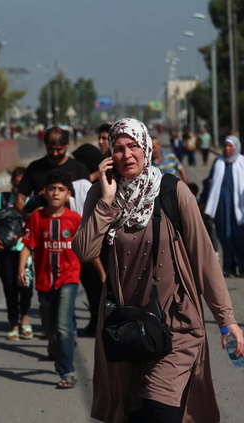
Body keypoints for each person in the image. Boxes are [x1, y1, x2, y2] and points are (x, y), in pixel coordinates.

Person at [72, 118, 243, 423]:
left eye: (133, 146)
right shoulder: (101, 195)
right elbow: (84, 251)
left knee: (160, 409)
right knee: (135, 413)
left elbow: (205, 260)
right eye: (119, 148)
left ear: (146, 147)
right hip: (127, 328)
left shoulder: (172, 192)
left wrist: (227, 321)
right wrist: (108, 202)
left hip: (176, 323)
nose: (127, 155)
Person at [18, 170, 81, 389]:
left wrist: (101, 273)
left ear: (68, 195)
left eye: (61, 190)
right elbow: (28, 245)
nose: (56, 193)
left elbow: (85, 249)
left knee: (64, 325)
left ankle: (68, 372)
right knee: (49, 326)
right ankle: (55, 348)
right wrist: (21, 268)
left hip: (69, 277)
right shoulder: (37, 217)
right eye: (52, 189)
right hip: (44, 280)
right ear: (45, 193)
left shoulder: (75, 219)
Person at [0, 167, 34, 340]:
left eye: (22, 184)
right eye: (16, 184)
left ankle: (25, 317)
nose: (19, 188)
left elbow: (38, 222)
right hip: (4, 252)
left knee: (26, 286)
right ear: (12, 183)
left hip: (25, 252)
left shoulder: (33, 201)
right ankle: (14, 323)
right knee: (10, 288)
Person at [14, 126, 89, 219]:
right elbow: (20, 199)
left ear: (67, 145)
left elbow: (87, 201)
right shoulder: (35, 168)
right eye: (50, 149)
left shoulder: (79, 169)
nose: (54, 153)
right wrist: (30, 218)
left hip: (71, 227)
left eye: (58, 149)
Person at [202, 136, 244, 277]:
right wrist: (203, 200)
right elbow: (209, 183)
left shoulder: (242, 162)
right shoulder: (218, 163)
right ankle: (229, 267)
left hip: (239, 207)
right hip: (222, 207)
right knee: (225, 236)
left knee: (239, 236)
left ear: (236, 147)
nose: (227, 148)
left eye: (230, 146)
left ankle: (241, 266)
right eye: (225, 146)